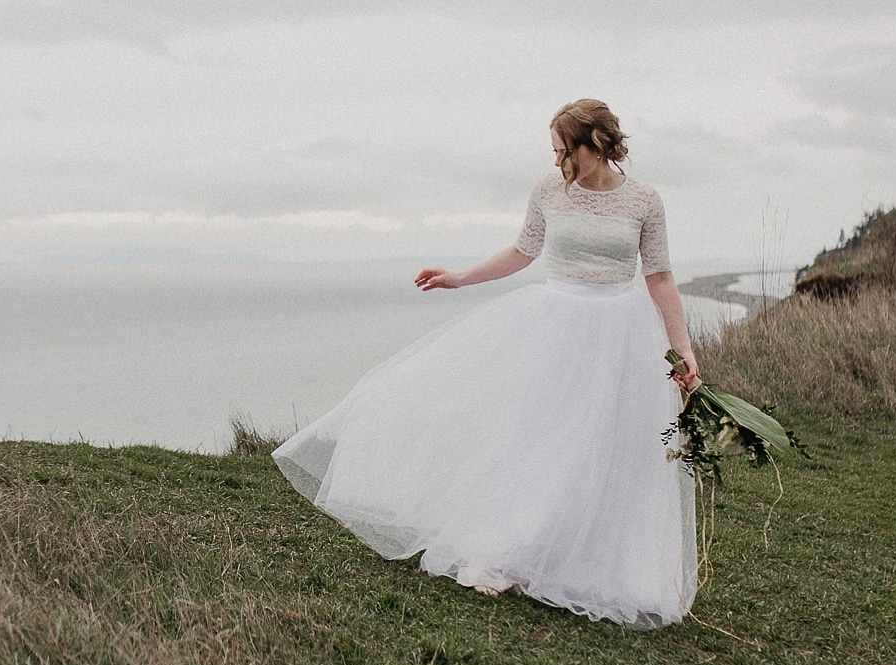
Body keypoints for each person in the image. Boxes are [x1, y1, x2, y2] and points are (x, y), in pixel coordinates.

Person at [273, 98, 703, 627]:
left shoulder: (644, 201)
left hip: (621, 334)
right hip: (557, 328)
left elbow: (659, 277)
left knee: (606, 446)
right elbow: (524, 251)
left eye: (563, 151)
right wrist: (458, 278)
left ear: (596, 145)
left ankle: (593, 559)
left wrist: (682, 349)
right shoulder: (550, 191)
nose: (556, 162)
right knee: (543, 438)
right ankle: (514, 548)